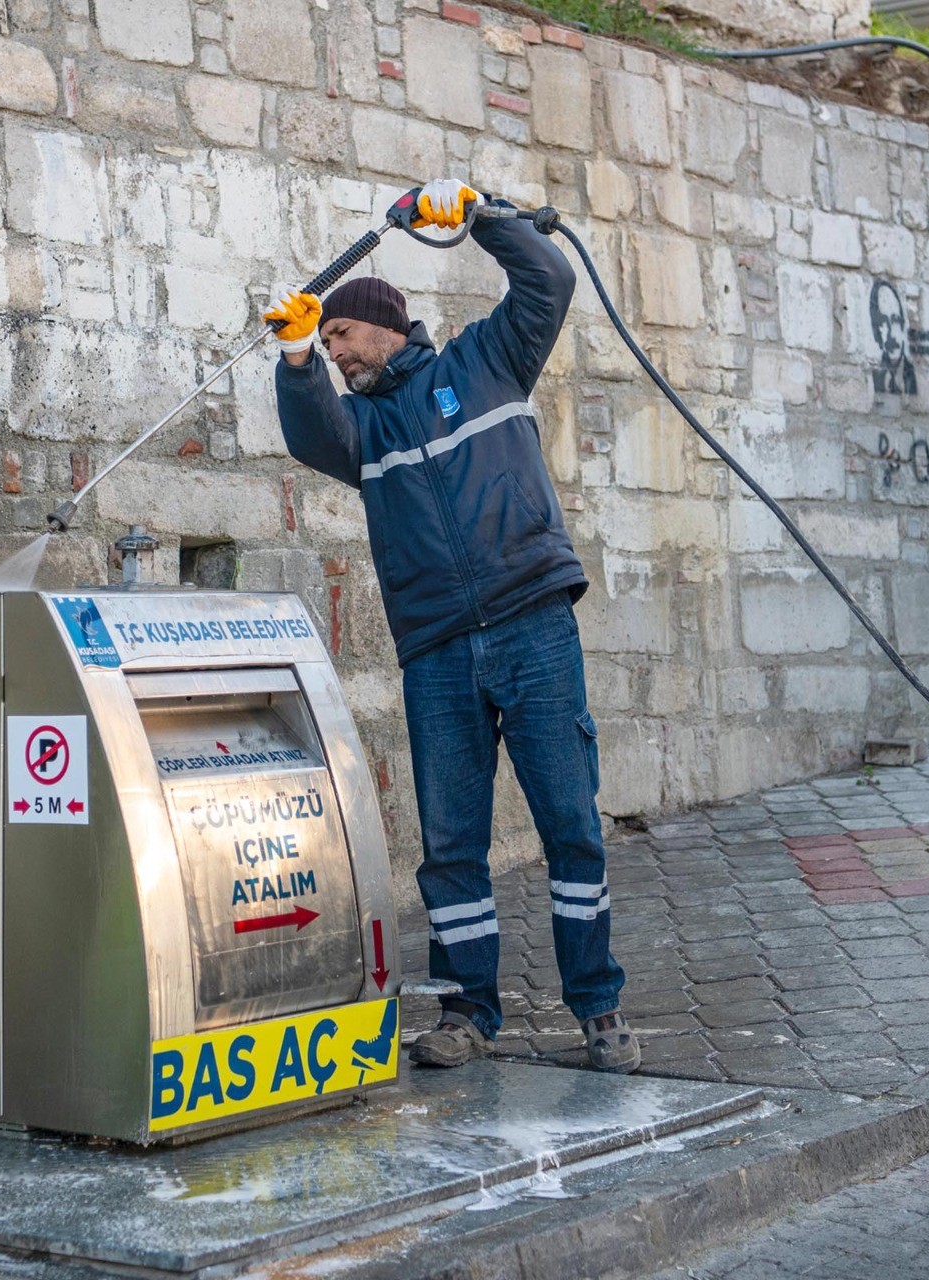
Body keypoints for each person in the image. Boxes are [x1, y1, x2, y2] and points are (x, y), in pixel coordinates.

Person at [263, 179, 638, 1074]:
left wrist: (477, 216)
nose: (338, 353)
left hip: (532, 624)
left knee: (569, 823)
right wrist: (297, 360)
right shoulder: (361, 427)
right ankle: (469, 1013)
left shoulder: (486, 361)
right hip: (435, 648)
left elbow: (548, 280)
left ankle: (599, 1008)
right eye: (329, 343)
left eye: (340, 335)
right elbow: (311, 433)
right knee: (451, 846)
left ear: (383, 325)